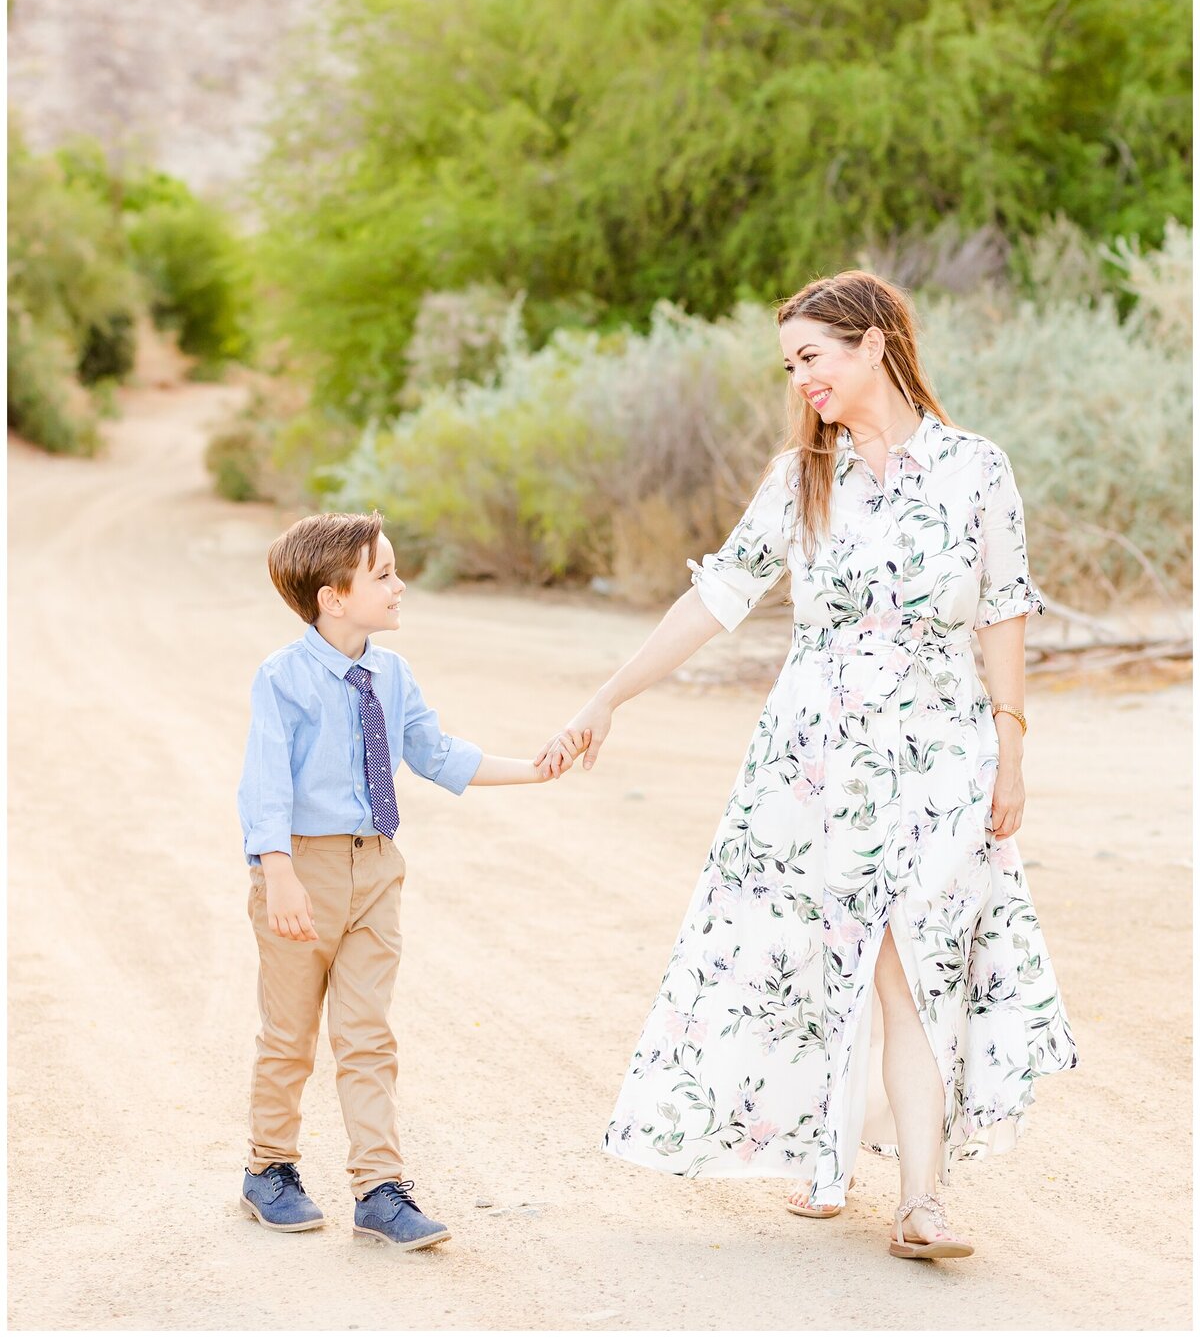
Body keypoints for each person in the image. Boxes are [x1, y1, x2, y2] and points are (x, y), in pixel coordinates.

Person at [538, 270, 1077, 1263]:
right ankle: (849, 1165)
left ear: (873, 341)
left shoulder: (975, 468)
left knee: (922, 956)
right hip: (817, 758)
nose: (801, 380)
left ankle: (920, 1198)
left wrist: (1011, 748)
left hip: (940, 751)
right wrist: (607, 696)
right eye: (790, 365)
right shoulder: (802, 477)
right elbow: (714, 599)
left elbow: (1005, 607)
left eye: (813, 356)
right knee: (845, 951)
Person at [238, 509, 567, 1249]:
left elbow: (436, 752)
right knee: (291, 1036)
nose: (400, 583)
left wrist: (534, 768)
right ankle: (270, 1168)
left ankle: (379, 1189)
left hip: (377, 867)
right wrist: (279, 873)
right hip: (301, 866)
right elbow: (264, 785)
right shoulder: (282, 679)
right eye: (383, 573)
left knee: (366, 1036)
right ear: (333, 596)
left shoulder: (391, 672)